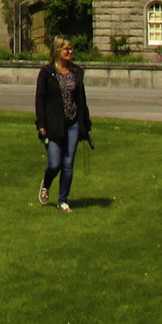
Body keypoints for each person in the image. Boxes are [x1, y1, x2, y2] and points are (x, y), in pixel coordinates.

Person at [35, 37, 94, 212]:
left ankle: (63, 200)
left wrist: (86, 125)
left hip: (73, 123)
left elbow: (82, 101)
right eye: (66, 49)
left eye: (71, 49)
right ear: (57, 51)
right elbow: (40, 100)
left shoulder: (76, 73)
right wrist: (41, 124)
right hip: (54, 123)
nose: (69, 52)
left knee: (68, 163)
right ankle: (46, 183)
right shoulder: (47, 73)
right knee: (55, 163)